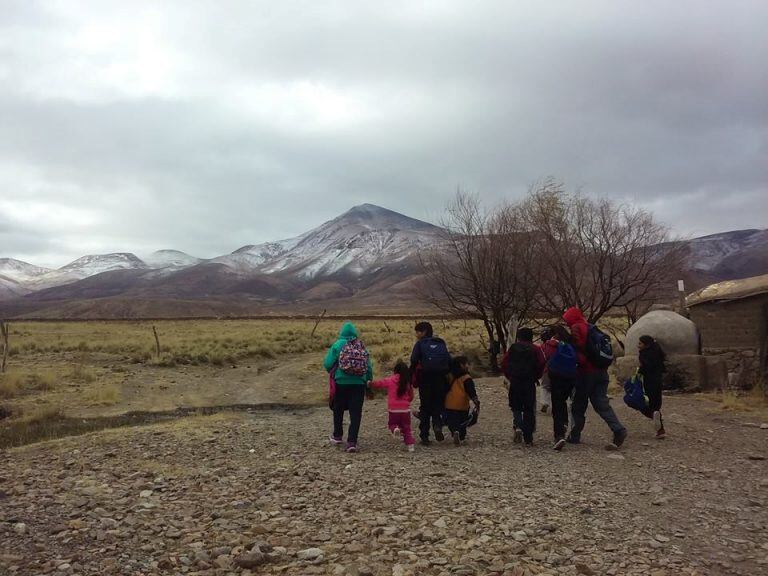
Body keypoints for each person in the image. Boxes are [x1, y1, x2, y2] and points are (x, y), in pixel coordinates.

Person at [563, 307, 627, 449]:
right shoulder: (591, 327)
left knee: (578, 405)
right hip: (602, 372)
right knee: (601, 404)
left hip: (586, 373)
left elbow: (578, 350)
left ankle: (575, 435)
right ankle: (618, 429)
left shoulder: (576, 327)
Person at [323, 322, 373, 453]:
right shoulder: (361, 345)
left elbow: (327, 363)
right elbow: (369, 366)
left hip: (341, 382)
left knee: (338, 408)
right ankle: (352, 442)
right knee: (356, 413)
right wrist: (368, 380)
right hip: (359, 383)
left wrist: (335, 371)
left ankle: (337, 435)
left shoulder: (338, 344)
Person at [502, 328, 545, 446]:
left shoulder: (513, 348)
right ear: (531, 337)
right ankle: (528, 437)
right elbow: (542, 363)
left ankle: (518, 426)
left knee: (515, 406)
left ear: (519, 337)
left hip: (515, 381)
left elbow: (504, 363)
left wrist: (510, 376)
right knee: (528, 408)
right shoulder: (536, 349)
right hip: (529, 382)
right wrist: (536, 376)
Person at [410, 321, 451, 445]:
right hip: (440, 378)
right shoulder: (440, 342)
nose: (416, 334)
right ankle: (437, 426)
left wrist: (410, 376)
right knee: (438, 404)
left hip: (425, 379)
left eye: (418, 331)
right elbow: (449, 360)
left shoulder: (420, 344)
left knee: (425, 406)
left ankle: (424, 436)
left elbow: (413, 360)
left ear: (424, 332)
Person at [543, 325, 578, 450]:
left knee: (557, 405)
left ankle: (559, 435)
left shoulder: (551, 344)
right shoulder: (570, 343)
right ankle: (564, 424)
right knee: (562, 401)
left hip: (557, 377)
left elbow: (545, 357)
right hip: (571, 377)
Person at [369, 360, 416, 451]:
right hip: (405, 410)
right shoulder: (407, 382)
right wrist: (407, 402)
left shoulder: (391, 380)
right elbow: (411, 396)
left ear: (395, 370)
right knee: (407, 428)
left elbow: (380, 383)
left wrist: (370, 383)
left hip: (393, 409)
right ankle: (410, 446)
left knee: (392, 423)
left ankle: (395, 429)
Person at [443, 356, 481, 446]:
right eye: (467, 364)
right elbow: (471, 391)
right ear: (462, 365)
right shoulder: (466, 378)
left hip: (449, 403)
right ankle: (461, 436)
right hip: (462, 404)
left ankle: (455, 431)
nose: (468, 365)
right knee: (462, 421)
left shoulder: (449, 375)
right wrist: (475, 400)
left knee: (452, 421)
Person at [638, 335, 667, 439]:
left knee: (643, 405)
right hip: (658, 383)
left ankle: (653, 416)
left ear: (646, 344)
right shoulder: (658, 353)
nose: (638, 346)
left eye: (640, 343)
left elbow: (644, 368)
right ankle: (660, 431)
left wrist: (638, 371)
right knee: (656, 406)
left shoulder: (644, 354)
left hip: (648, 383)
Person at [538, 327, 554, 414]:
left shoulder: (542, 347)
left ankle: (545, 402)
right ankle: (554, 404)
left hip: (546, 369)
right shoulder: (558, 345)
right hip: (557, 369)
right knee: (554, 388)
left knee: (544, 386)